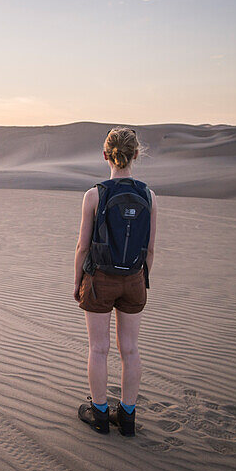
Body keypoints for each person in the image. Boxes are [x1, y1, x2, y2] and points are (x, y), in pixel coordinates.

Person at [74, 127, 157, 436]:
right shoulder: (149, 195)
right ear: (136, 155)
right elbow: (150, 249)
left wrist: (77, 281)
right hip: (134, 281)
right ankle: (128, 417)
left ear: (105, 155)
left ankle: (99, 414)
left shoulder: (94, 194)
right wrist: (139, 279)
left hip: (99, 280)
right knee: (130, 350)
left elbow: (82, 247)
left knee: (99, 349)